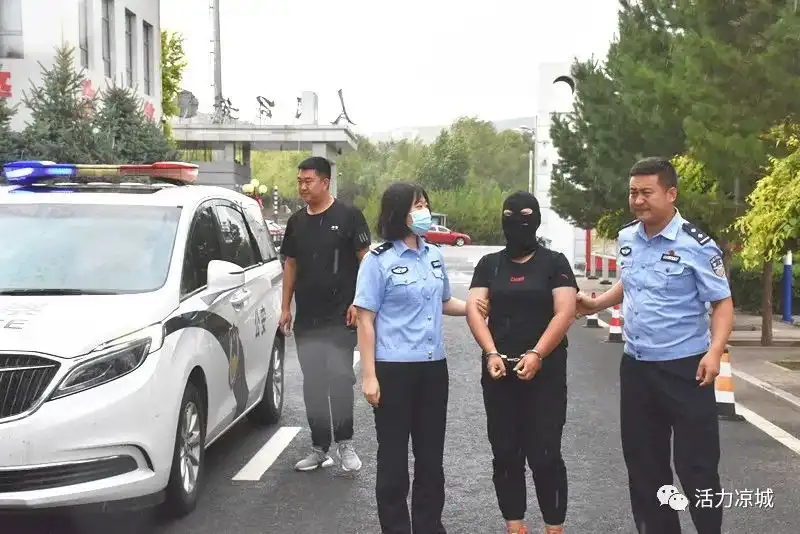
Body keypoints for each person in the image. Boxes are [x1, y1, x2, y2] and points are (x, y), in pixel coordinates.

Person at [576, 157, 734, 534]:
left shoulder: (696, 245)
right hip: (637, 368)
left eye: (647, 192)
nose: (638, 200)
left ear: (671, 193)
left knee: (696, 467)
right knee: (645, 468)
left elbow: (722, 302)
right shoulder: (628, 237)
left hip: (686, 369)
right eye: (633, 193)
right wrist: (596, 304)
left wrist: (715, 352)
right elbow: (631, 282)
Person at [353, 182, 488, 534]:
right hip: (393, 370)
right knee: (394, 459)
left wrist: (475, 308)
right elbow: (365, 320)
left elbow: (444, 302)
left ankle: (429, 526)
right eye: (417, 205)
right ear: (399, 212)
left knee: (430, 459)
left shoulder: (434, 255)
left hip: (433, 369)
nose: (424, 211)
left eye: (425, 204)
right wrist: (369, 375)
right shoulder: (378, 261)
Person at [465, 191, 577, 534]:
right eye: (510, 215)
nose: (517, 222)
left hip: (545, 374)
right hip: (499, 374)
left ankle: (553, 526)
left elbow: (565, 311)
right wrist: (491, 352)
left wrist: (538, 353)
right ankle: (514, 525)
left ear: (538, 219)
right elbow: (474, 309)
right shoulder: (489, 264)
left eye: (526, 215)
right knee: (505, 454)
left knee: (545, 455)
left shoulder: (555, 263)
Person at [279, 156, 372, 473]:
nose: (303, 187)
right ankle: (319, 448)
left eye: (308, 181)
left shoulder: (349, 216)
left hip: (340, 316)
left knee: (340, 379)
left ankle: (346, 444)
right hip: (308, 317)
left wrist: (358, 302)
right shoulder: (296, 222)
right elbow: (290, 264)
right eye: (300, 182)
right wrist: (285, 307)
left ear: (325, 182)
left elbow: (366, 261)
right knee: (314, 383)